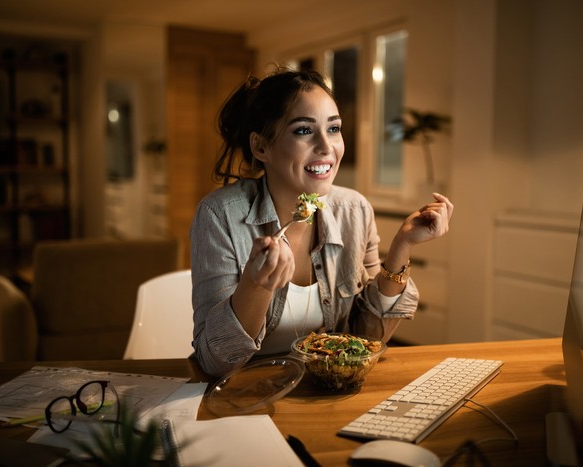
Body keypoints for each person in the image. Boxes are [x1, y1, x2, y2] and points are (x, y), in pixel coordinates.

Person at [190, 68, 453, 377]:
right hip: (242, 393)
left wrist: (402, 247)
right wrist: (256, 285)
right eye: (303, 130)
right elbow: (214, 362)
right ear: (261, 147)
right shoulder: (220, 215)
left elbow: (366, 342)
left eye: (334, 128)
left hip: (324, 389)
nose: (327, 147)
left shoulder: (354, 210)